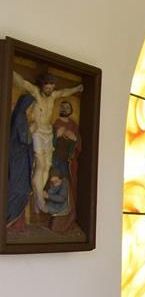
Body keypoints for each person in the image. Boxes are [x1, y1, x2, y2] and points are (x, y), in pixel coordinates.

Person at [12, 71, 83, 212]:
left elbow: (64, 92)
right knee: (40, 164)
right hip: (38, 131)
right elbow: (21, 82)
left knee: (47, 166)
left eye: (52, 86)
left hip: (48, 132)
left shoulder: (53, 96)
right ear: (42, 85)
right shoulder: (35, 92)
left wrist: (77, 88)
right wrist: (10, 72)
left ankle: (38, 197)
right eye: (47, 86)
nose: (50, 89)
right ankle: (39, 197)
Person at [6, 93, 35, 230]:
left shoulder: (20, 116)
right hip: (19, 160)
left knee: (20, 189)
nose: (32, 109)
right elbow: (24, 139)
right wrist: (32, 130)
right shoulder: (20, 117)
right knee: (20, 189)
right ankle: (7, 219)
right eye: (31, 106)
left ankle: (8, 219)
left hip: (21, 158)